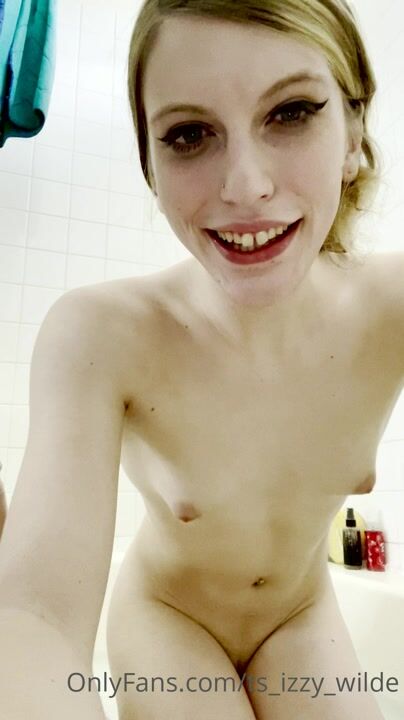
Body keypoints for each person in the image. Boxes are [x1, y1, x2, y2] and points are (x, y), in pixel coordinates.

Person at [0, 0, 402, 718]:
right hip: (168, 620)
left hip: (302, 616)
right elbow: (36, 615)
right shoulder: (100, 335)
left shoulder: (393, 307)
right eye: (189, 134)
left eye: (291, 113)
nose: (245, 186)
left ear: (353, 132)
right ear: (151, 168)